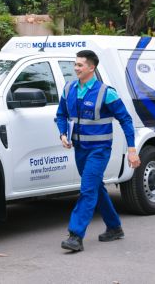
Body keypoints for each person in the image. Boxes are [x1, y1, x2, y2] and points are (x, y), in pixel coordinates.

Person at [54, 49, 140, 252]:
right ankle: (114, 227)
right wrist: (62, 133)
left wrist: (132, 149)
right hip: (80, 149)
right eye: (75, 64)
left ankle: (75, 235)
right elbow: (61, 115)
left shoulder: (106, 92)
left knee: (87, 189)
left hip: (99, 150)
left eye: (80, 65)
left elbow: (126, 120)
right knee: (95, 187)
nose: (76, 68)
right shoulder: (69, 89)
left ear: (91, 67)